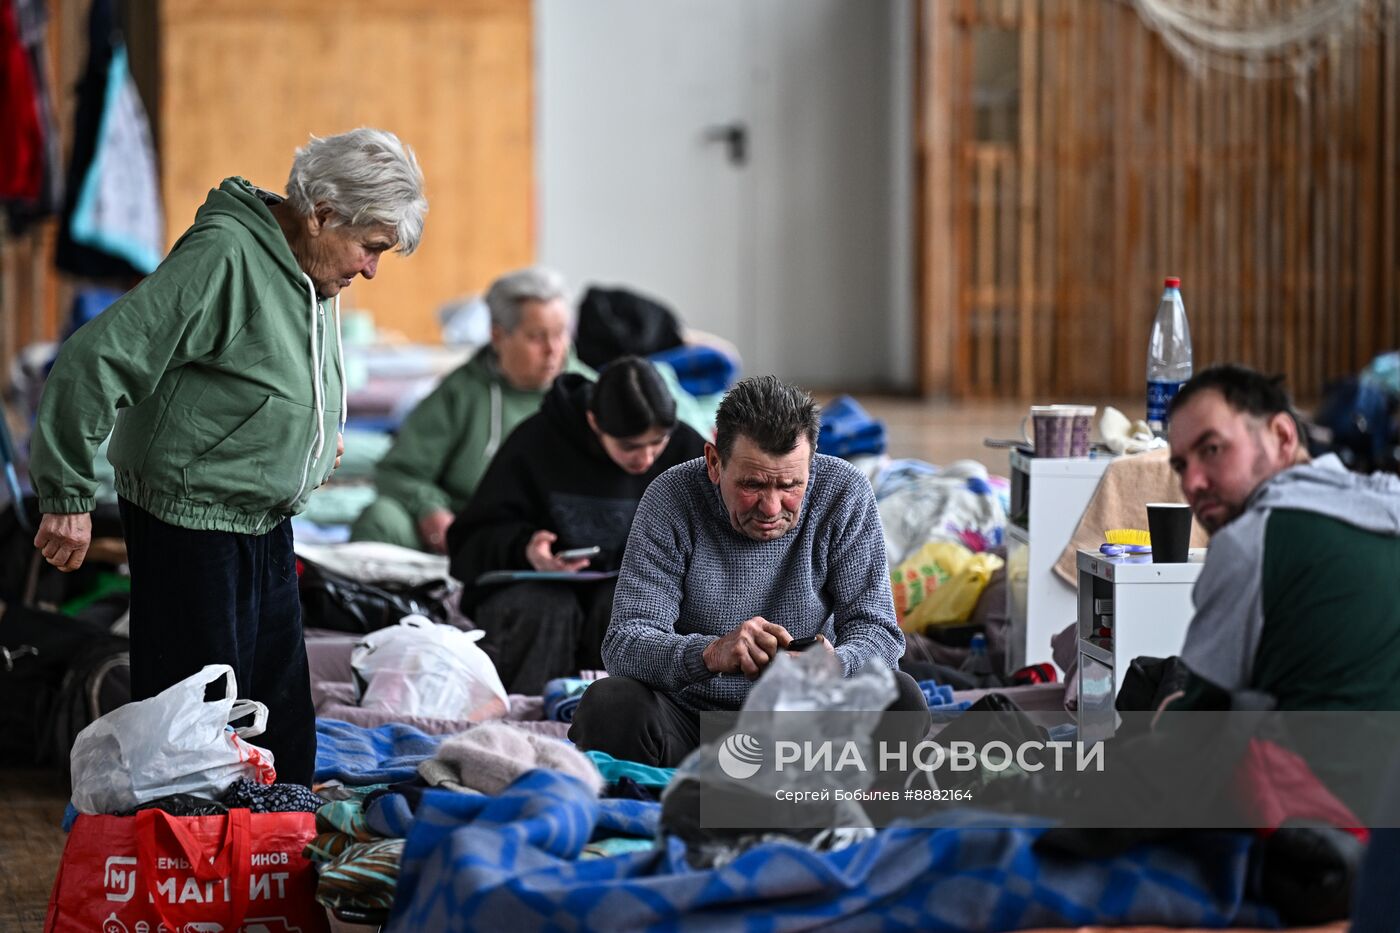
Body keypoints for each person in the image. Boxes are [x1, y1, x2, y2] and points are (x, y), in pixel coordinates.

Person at [29, 128, 427, 785]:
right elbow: (93, 360)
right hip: (191, 522)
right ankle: (202, 874)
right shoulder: (225, 256)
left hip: (260, 518)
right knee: (196, 735)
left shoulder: (310, 268)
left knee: (278, 720)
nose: (372, 268)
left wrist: (314, 434)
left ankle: (275, 859)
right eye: (371, 247)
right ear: (322, 214)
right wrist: (66, 494)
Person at [569, 375, 930, 767]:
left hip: (810, 724)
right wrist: (709, 653)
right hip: (692, 722)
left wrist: (837, 664)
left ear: (811, 464)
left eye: (791, 485)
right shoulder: (669, 499)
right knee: (609, 705)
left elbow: (878, 632)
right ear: (714, 463)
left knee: (902, 699)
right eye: (753, 484)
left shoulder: (844, 492)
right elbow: (625, 644)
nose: (772, 508)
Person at [447, 356, 707, 693]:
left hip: (627, 590)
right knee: (544, 608)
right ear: (594, 422)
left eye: (657, 443)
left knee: (625, 608)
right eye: (629, 446)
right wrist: (525, 548)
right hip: (538, 592)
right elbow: (468, 542)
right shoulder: (536, 442)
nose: (645, 459)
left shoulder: (686, 450)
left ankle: (623, 722)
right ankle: (529, 720)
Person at [1165, 364, 1400, 712]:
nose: (1191, 483)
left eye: (1212, 449)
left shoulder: (1252, 542)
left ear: (1283, 437)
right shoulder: (1388, 503)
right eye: (1181, 466)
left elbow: (1193, 734)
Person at [349, 266, 593, 553]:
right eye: (537, 337)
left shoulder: (591, 395)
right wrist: (431, 512)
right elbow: (399, 471)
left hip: (555, 535)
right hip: (465, 534)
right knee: (381, 519)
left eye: (561, 333)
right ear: (499, 336)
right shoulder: (461, 392)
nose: (553, 349)